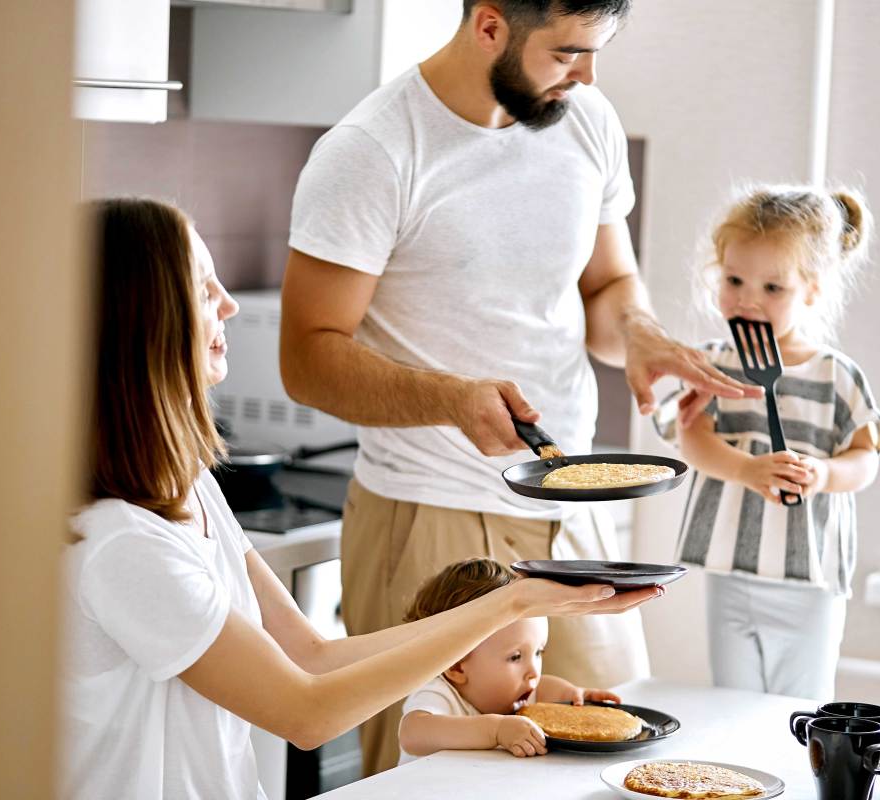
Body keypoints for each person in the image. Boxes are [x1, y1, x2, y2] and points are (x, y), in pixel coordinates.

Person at [278, 0, 761, 774]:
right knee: (435, 779)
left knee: (618, 759)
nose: (590, 74)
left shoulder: (586, 119)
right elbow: (307, 359)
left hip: (573, 512)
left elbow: (608, 286)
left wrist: (636, 335)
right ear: (490, 26)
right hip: (435, 508)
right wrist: (450, 399)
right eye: (569, 52)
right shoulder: (372, 150)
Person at [61, 197, 658, 799]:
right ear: (145, 318)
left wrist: (522, 602)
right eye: (202, 285)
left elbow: (314, 656)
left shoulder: (190, 486)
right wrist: (508, 607)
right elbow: (306, 713)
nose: (230, 303)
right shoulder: (123, 543)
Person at [668, 184, 880, 701]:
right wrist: (745, 470)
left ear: (811, 289)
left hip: (807, 580)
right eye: (734, 280)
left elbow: (866, 457)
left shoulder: (836, 375)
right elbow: (692, 440)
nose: (747, 299)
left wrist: (826, 474)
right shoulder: (713, 364)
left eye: (773, 288)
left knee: (800, 712)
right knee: (731, 704)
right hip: (730, 570)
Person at [397, 558, 636, 763]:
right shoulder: (439, 694)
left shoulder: (516, 692)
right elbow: (412, 734)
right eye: (515, 657)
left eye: (538, 652)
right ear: (456, 665)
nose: (533, 672)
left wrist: (575, 696)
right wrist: (495, 730)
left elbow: (542, 689)